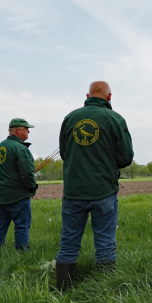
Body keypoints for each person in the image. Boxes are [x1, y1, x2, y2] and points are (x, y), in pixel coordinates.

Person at [56, 81, 134, 291]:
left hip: (73, 191)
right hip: (103, 191)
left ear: (88, 95)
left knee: (69, 242)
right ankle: (105, 291)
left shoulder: (70, 118)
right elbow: (126, 157)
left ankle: (63, 290)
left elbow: (64, 154)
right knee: (105, 242)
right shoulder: (115, 119)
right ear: (109, 97)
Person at [0, 118, 38, 250]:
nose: (28, 131)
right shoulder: (21, 149)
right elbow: (27, 173)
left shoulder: (0, 146)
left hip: (0, 195)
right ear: (18, 130)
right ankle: (22, 255)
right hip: (18, 196)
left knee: (0, 225)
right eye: (26, 128)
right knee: (22, 226)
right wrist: (32, 188)